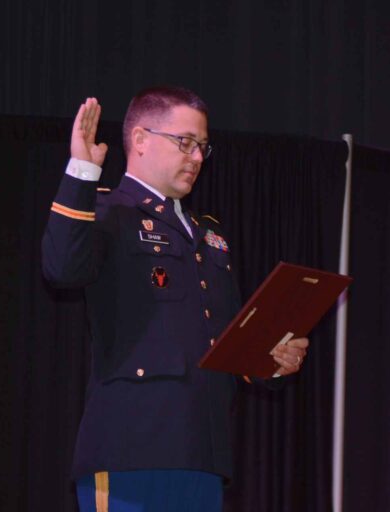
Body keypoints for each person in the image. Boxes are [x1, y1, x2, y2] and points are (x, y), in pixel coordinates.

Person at [42, 86, 309, 511]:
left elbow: (224, 340)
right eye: (185, 142)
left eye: (203, 146)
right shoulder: (110, 211)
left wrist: (269, 361)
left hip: (203, 455)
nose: (198, 157)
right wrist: (81, 173)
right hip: (131, 449)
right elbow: (61, 268)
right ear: (141, 140)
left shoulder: (209, 235)